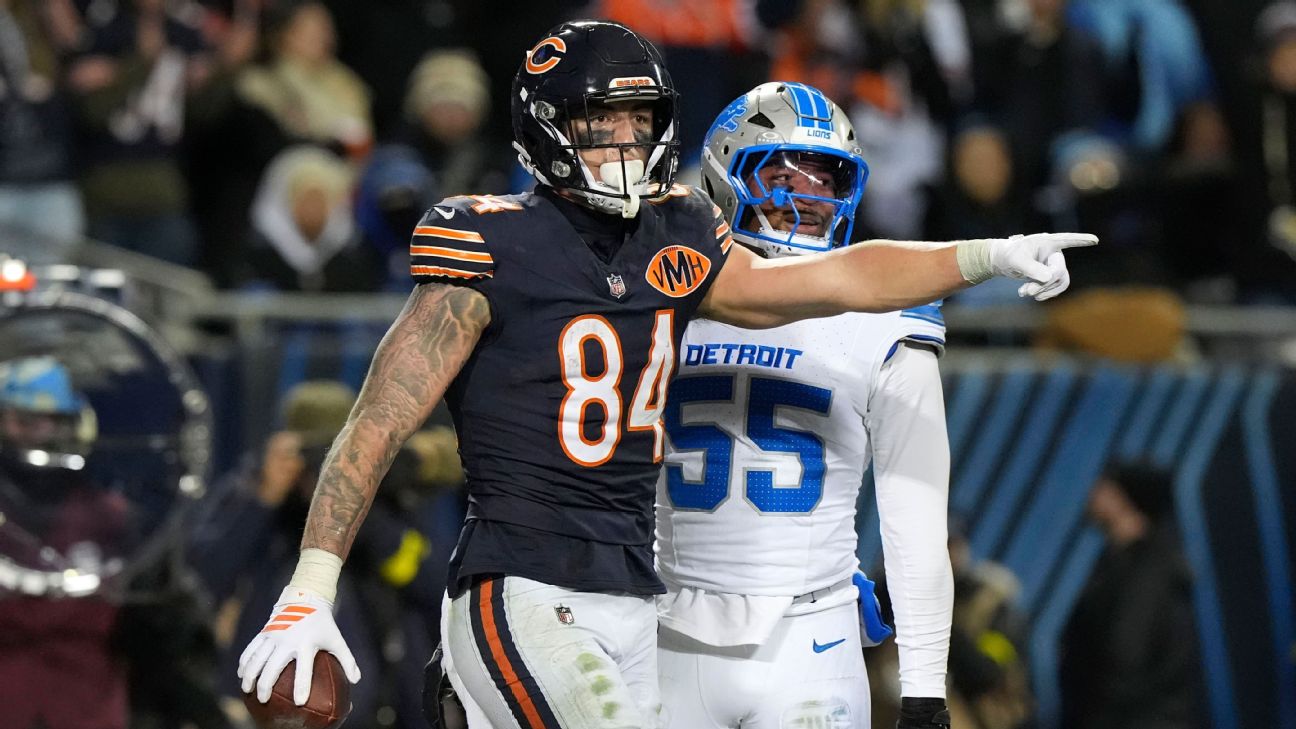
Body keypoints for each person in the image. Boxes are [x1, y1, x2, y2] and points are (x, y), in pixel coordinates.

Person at [235, 19, 1095, 729]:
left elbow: (839, 278)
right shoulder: (489, 240)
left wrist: (984, 254)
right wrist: (311, 584)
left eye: (640, 120)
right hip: (522, 578)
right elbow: (378, 422)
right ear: (548, 127)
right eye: (602, 122)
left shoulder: (675, 234)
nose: (627, 141)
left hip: (634, 598)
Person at [654, 81, 953, 729]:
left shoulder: (881, 316)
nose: (810, 195)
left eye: (828, 177)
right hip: (663, 624)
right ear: (726, 173)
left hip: (810, 634)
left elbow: (916, 516)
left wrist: (925, 688)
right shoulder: (657, 293)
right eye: (784, 173)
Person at [1058, 461, 1205, 729]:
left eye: (1104, 487)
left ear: (1125, 500)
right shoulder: (1125, 565)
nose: (1092, 493)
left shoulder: (1147, 571)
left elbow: (1125, 653)